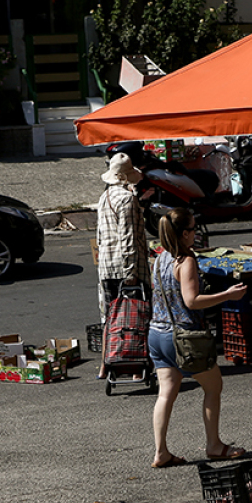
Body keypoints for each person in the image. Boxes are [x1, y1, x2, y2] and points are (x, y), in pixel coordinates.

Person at [148, 208, 248, 468]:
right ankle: (214, 445)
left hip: (157, 333)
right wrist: (228, 294)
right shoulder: (186, 260)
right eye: (192, 229)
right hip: (184, 337)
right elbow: (192, 301)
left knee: (166, 393)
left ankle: (161, 452)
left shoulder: (160, 258)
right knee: (213, 387)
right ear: (183, 234)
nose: (196, 233)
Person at [97, 152, 151, 379]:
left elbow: (101, 235)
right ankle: (137, 367)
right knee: (136, 319)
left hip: (107, 266)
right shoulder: (127, 200)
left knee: (111, 318)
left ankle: (105, 365)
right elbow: (127, 238)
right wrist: (131, 273)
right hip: (126, 267)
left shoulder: (105, 197)